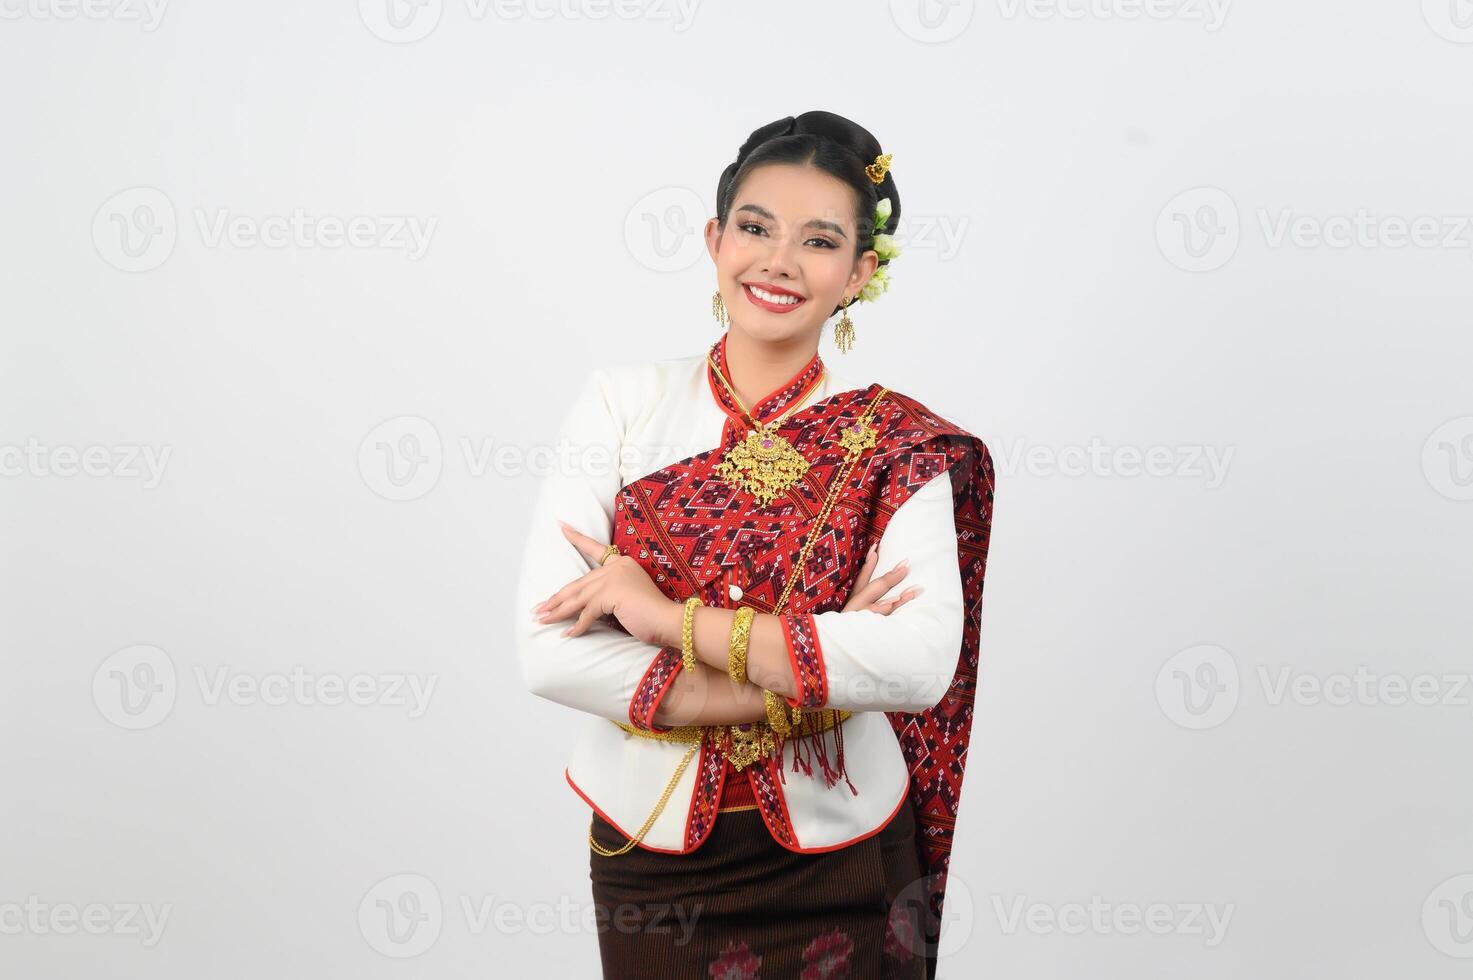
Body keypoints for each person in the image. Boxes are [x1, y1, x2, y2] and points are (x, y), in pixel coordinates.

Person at [515, 110, 996, 979]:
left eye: (818, 241)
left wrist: (659, 618)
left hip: (844, 855)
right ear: (714, 239)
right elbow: (547, 655)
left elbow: (918, 663)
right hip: (650, 854)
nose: (777, 261)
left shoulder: (897, 441)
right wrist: (810, 677)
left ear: (861, 272)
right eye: (755, 227)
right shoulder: (622, 404)